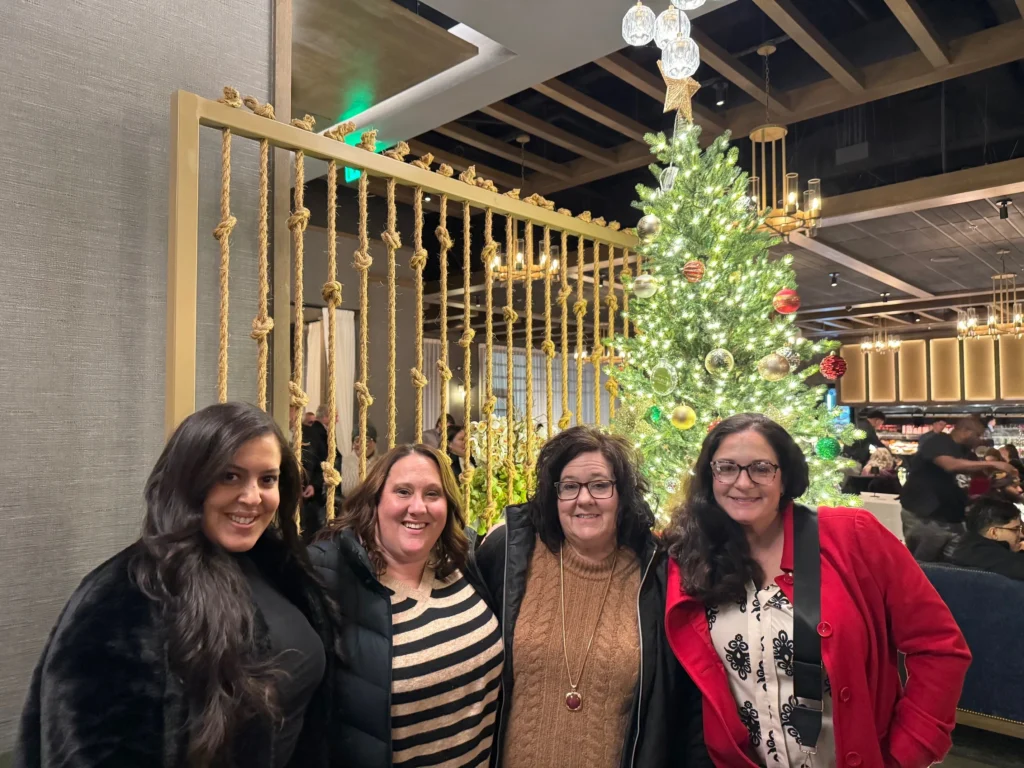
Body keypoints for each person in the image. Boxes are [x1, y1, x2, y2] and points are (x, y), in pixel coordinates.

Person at [15, 402, 340, 768]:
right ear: (190, 480)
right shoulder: (123, 598)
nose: (252, 497)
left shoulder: (278, 568)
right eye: (229, 476)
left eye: (267, 479)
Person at [665, 413, 971, 768]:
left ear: (786, 476)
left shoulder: (853, 537)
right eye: (727, 468)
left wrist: (908, 752)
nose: (743, 483)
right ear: (710, 476)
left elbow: (940, 648)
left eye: (762, 468)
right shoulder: (690, 557)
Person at [476, 426, 709, 768]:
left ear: (622, 494)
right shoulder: (509, 555)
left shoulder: (656, 575)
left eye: (600, 485)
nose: (584, 499)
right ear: (553, 496)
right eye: (569, 486)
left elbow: (679, 711)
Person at [309, 444, 502, 767]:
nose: (418, 507)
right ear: (376, 499)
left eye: (432, 494)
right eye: (403, 491)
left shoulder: (460, 564)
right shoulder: (332, 580)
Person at [900, 416, 1018, 538]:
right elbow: (950, 465)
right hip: (925, 515)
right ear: (965, 431)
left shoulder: (964, 451)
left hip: (949, 516)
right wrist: (993, 463)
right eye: (977, 435)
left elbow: (977, 473)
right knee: (926, 556)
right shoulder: (939, 441)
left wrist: (1001, 479)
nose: (980, 440)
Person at [950, 495, 1024, 579]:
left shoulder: (969, 548)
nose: (1021, 535)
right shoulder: (989, 558)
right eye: (1016, 529)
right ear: (994, 532)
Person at [341, 421, 378, 497]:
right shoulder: (341, 463)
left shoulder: (383, 463)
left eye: (367, 440)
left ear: (374, 443)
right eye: (357, 440)